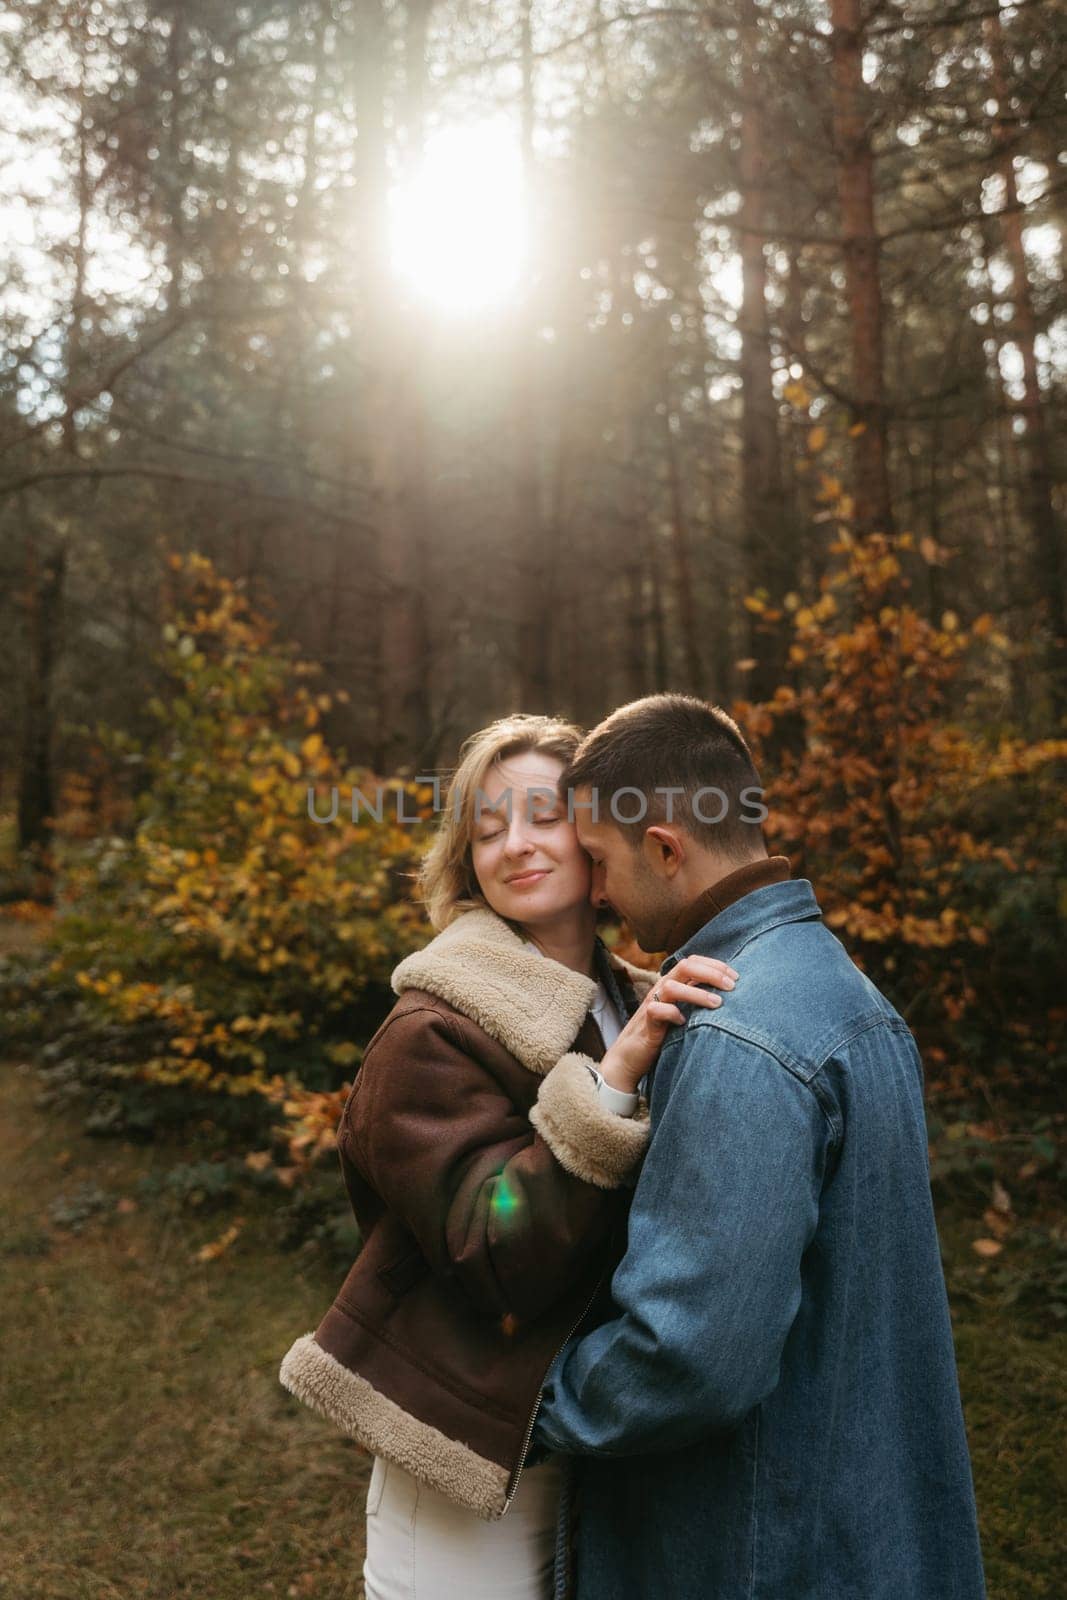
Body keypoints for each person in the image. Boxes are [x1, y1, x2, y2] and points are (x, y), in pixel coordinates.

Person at [531, 692, 988, 1600]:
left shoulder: (733, 1032)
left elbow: (688, 1357)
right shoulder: (842, 989)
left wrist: (530, 1403)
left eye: (596, 860)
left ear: (664, 847)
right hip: (856, 1529)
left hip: (751, 1551)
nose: (590, 892)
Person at [278, 713, 737, 1600]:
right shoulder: (432, 1029)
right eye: (488, 829)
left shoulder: (633, 1000)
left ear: (597, 833)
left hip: (590, 1430)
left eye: (542, 815)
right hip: (466, 1448)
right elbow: (496, 1254)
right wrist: (612, 1083)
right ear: (467, 857)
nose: (515, 845)